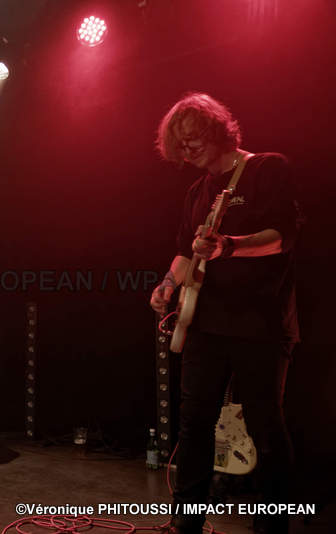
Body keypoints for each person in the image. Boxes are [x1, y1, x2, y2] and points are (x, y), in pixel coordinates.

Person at [151, 93, 301, 534]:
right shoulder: (197, 192)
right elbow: (186, 252)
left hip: (260, 323)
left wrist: (230, 246)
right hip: (206, 323)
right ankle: (187, 521)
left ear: (217, 130)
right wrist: (167, 285)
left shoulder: (266, 168)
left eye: (194, 138)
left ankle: (273, 525)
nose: (188, 150)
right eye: (180, 143)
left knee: (265, 427)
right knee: (194, 423)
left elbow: (284, 237)